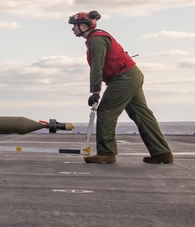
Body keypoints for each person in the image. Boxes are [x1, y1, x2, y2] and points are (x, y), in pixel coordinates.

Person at [69, 10, 173, 164]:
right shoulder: (98, 37)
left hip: (123, 78)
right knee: (141, 114)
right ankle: (162, 152)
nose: (72, 29)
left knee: (105, 111)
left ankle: (106, 153)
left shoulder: (96, 40)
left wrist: (95, 92)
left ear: (84, 26)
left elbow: (97, 67)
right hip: (132, 75)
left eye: (74, 26)